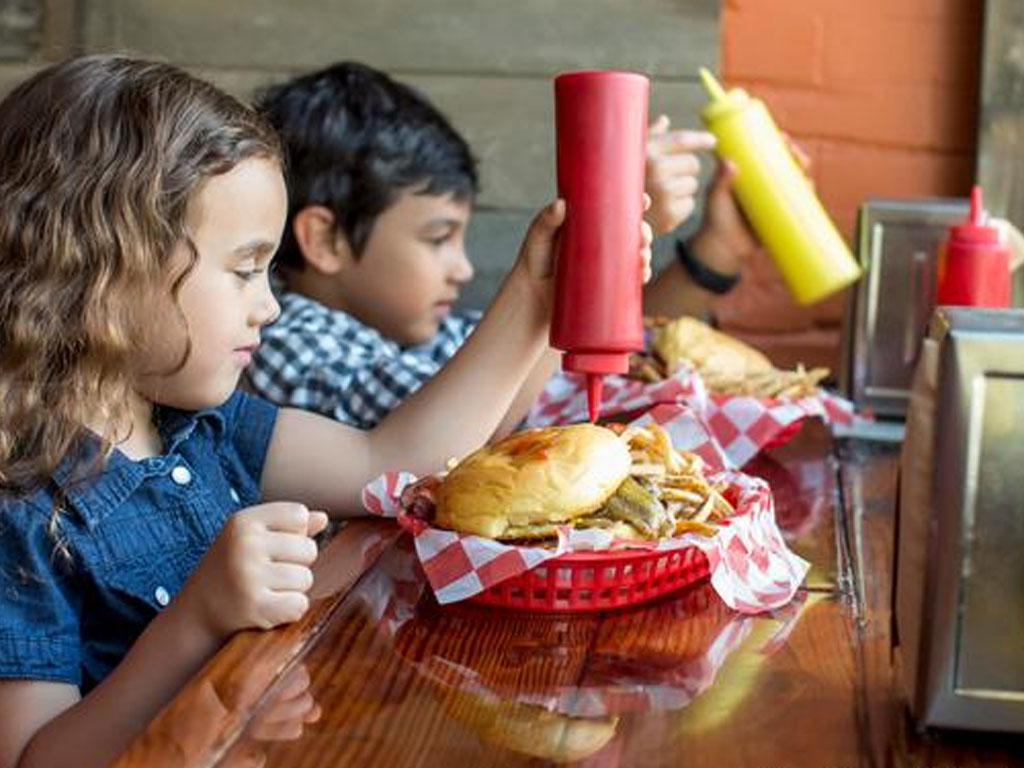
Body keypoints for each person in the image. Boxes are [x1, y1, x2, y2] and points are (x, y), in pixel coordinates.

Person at [0, 56, 650, 768]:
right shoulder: (22, 506)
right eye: (245, 269)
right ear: (105, 266)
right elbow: (37, 758)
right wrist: (198, 621)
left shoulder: (203, 427)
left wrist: (537, 292)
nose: (270, 304)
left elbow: (395, 465)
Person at [244, 62, 760, 430]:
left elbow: (564, 355)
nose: (463, 269)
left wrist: (714, 254)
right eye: (438, 238)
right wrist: (603, 227)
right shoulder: (286, 345)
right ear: (325, 239)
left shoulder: (426, 335)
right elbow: (457, 437)